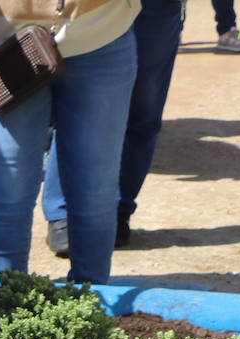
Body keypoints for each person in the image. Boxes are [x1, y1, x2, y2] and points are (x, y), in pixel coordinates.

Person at [0, 0, 140, 284]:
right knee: (8, 190)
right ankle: (6, 305)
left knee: (95, 190)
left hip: (100, 35)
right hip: (6, 42)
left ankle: (89, 304)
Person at [41, 0, 183, 255]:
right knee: (79, 106)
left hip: (156, 7)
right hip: (91, 9)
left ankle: (118, 210)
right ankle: (62, 214)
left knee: (144, 108)